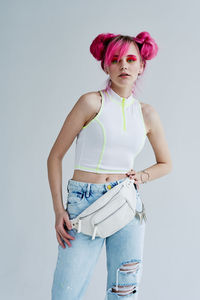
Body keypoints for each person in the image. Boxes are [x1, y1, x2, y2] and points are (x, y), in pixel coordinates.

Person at [47, 31, 172, 300]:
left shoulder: (146, 113)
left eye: (130, 59)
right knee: (65, 293)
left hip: (127, 205)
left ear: (141, 66)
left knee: (124, 294)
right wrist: (59, 210)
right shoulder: (91, 102)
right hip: (82, 204)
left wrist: (142, 175)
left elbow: (166, 163)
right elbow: (55, 156)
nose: (123, 65)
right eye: (115, 59)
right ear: (106, 65)